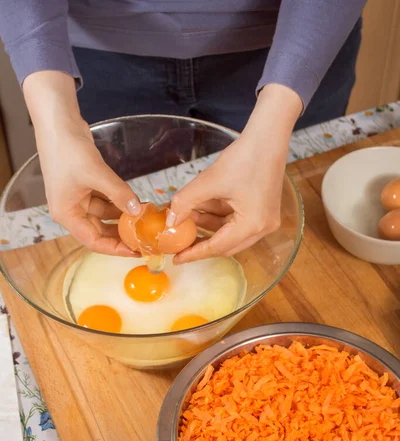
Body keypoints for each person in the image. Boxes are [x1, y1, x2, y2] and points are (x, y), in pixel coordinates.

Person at [0, 1, 365, 263]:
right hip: (88, 55)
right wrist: (55, 117)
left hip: (300, 40)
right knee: (105, 204)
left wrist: (277, 115)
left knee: (286, 207)